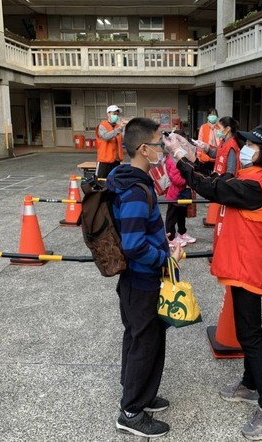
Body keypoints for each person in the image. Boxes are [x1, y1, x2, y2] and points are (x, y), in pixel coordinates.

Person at [164, 124, 262, 441]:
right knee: (247, 331)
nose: (245, 148)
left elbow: (212, 188)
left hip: (248, 269)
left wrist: (180, 158)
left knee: (251, 336)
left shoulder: (256, 188)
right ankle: (249, 384)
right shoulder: (253, 179)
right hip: (242, 264)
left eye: (252, 146)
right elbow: (219, 179)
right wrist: (195, 155)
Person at [105, 117, 184, 438]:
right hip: (142, 280)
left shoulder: (130, 180)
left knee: (141, 338)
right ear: (143, 148)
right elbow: (134, 244)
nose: (163, 148)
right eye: (158, 142)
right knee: (145, 343)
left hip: (137, 280)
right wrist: (166, 258)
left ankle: (141, 393)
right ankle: (131, 411)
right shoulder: (136, 190)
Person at [164, 130, 197, 248]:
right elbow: (176, 180)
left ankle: (182, 233)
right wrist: (189, 179)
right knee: (172, 217)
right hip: (174, 195)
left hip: (181, 193)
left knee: (181, 215)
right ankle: (170, 238)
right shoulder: (173, 159)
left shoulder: (179, 157)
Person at [96, 104, 125, 179]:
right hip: (105, 160)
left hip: (116, 159)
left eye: (117, 114)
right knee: (102, 181)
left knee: (115, 180)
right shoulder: (102, 125)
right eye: (114, 113)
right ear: (108, 114)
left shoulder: (118, 126)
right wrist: (119, 130)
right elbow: (105, 137)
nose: (116, 116)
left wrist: (124, 129)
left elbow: (122, 140)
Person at [196, 108, 219, 173]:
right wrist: (199, 156)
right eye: (211, 114)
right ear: (208, 116)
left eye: (214, 114)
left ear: (217, 117)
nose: (212, 116)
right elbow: (199, 142)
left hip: (217, 158)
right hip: (205, 158)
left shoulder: (220, 128)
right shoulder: (203, 127)